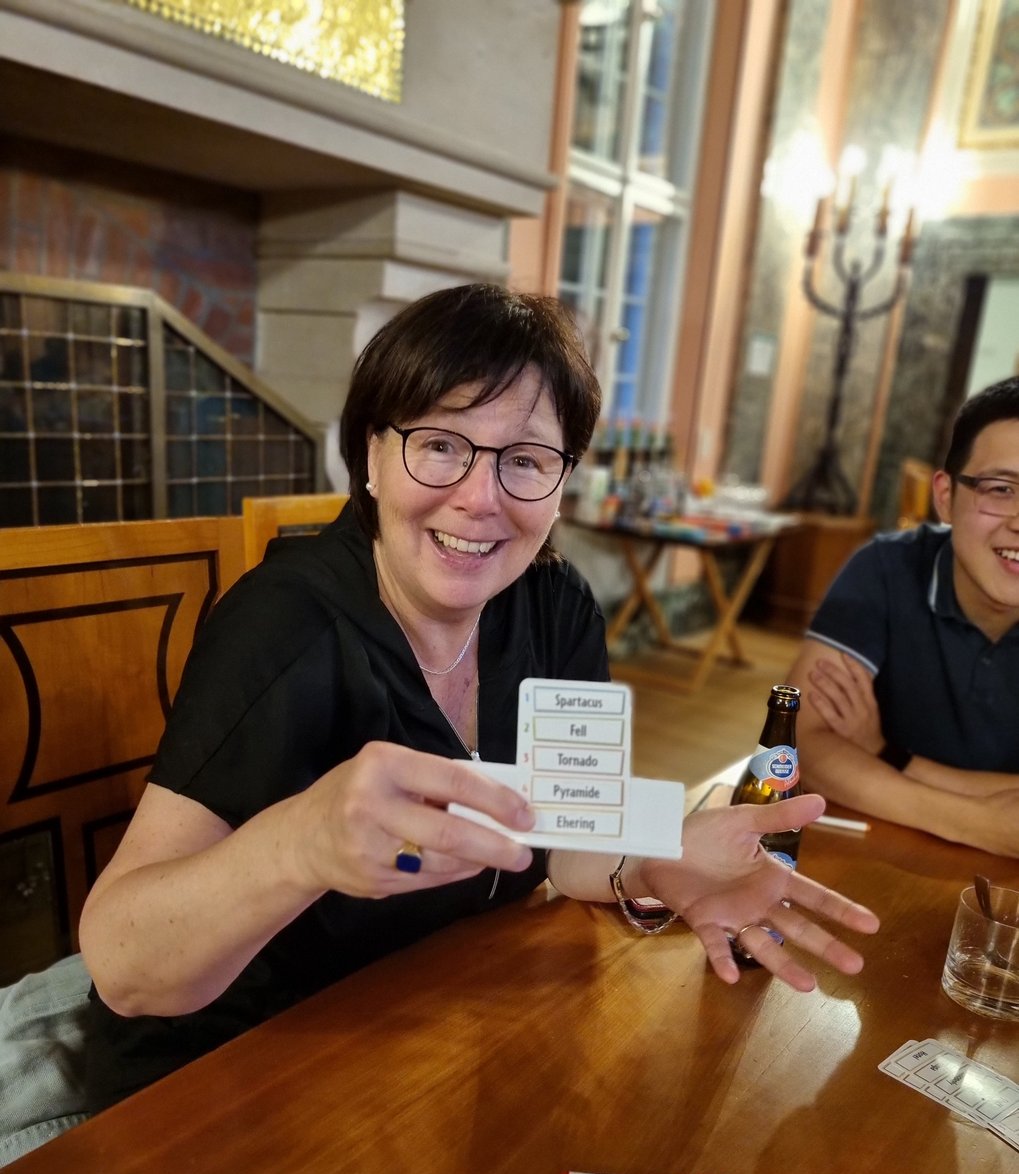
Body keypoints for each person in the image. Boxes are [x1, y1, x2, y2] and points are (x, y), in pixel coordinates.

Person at [70, 283, 877, 1121]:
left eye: (524, 459)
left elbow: (562, 846)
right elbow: (125, 967)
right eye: (441, 443)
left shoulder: (553, 608)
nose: (480, 497)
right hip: (227, 1073)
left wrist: (654, 862)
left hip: (414, 1034)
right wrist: (299, 846)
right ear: (373, 457)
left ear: (560, 483)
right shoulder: (284, 627)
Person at [787, 375, 1019, 857]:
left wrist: (889, 756)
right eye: (1001, 489)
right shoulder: (886, 569)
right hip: (877, 857)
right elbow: (801, 741)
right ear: (945, 496)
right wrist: (981, 823)